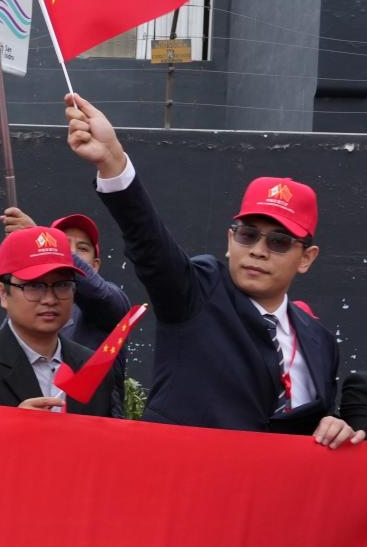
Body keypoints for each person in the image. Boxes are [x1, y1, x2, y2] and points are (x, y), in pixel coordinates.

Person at [65, 92, 363, 447]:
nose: (258, 251)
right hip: (187, 491)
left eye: (278, 242)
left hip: (272, 498)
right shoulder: (198, 291)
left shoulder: (320, 343)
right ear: (229, 239)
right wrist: (113, 162)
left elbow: (318, 434)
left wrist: (336, 427)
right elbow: (150, 245)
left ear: (306, 258)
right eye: (248, 235)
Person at [0, 226, 115, 416]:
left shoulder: (93, 368)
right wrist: (9, 428)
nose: (50, 299)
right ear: (3, 294)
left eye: (62, 285)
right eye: (34, 286)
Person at [0, 207, 130, 414]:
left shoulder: (111, 301)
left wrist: (46, 240)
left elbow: (98, 293)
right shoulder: (21, 309)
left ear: (95, 266)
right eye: (63, 244)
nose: (73, 253)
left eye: (82, 248)